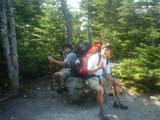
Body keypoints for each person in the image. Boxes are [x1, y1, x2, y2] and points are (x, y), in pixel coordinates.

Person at [87, 43, 128, 120]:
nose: (106, 52)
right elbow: (88, 71)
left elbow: (108, 74)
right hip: (91, 78)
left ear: (110, 52)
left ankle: (116, 103)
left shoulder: (106, 60)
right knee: (100, 89)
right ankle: (101, 111)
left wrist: (113, 80)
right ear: (102, 49)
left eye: (108, 50)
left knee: (117, 82)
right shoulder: (94, 57)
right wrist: (98, 67)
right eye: (105, 49)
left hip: (102, 78)